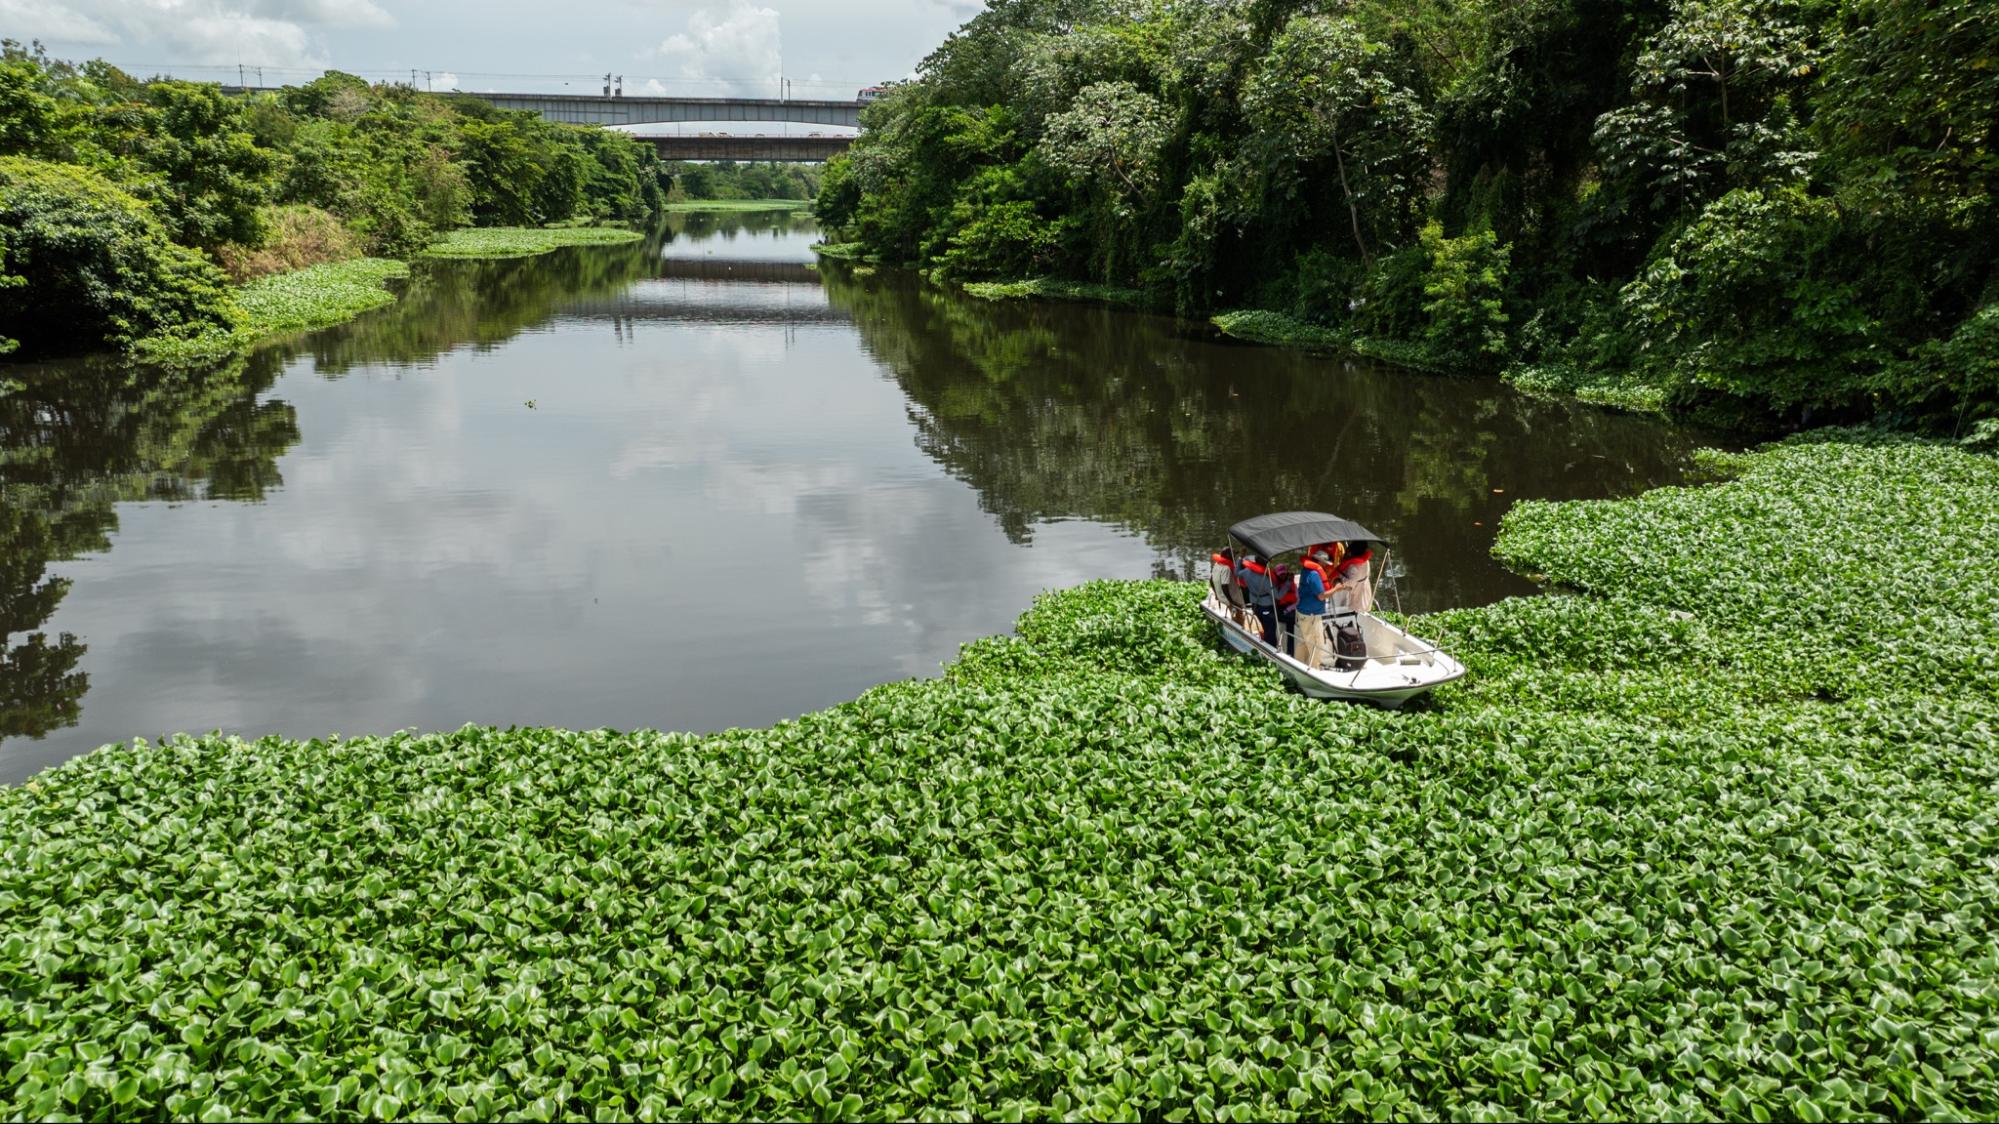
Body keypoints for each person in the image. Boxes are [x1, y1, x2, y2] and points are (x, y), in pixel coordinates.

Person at [1293, 547, 1336, 667]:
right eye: (1325, 563)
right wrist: (1337, 588)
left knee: (1303, 641)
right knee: (1317, 644)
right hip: (1311, 615)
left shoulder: (1306, 570)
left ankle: (1299, 664)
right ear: (1320, 561)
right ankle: (1314, 669)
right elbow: (1322, 596)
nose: (1325, 566)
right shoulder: (1314, 574)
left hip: (1303, 612)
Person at [1236, 552, 1278, 646]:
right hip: (1266, 606)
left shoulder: (1246, 572)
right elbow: (1277, 596)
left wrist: (1239, 559)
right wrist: (1287, 584)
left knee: (1262, 624)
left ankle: (1264, 643)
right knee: (1270, 629)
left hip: (1254, 603)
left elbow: (1237, 573)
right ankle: (1270, 647)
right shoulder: (1267, 579)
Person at [1337, 539, 1375, 614]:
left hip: (1357, 593)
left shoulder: (1354, 566)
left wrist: (1339, 576)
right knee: (1359, 609)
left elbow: (1350, 582)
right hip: (1363, 587)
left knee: (1356, 609)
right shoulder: (1366, 561)